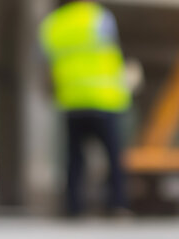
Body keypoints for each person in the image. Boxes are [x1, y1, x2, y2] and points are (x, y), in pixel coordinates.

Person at [40, 0, 131, 217]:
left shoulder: (53, 23)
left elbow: (45, 64)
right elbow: (113, 48)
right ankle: (116, 204)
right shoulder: (98, 16)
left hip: (72, 100)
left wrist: (51, 92)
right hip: (104, 97)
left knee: (74, 158)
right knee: (113, 156)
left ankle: (74, 207)